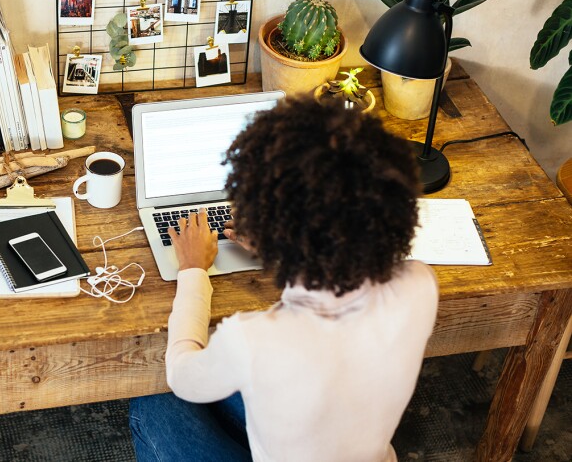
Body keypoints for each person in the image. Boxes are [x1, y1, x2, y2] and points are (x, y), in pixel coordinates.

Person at [128, 97, 439, 462]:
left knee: (151, 402)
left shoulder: (256, 338)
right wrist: (281, 248)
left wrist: (193, 269)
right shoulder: (420, 284)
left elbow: (181, 376)